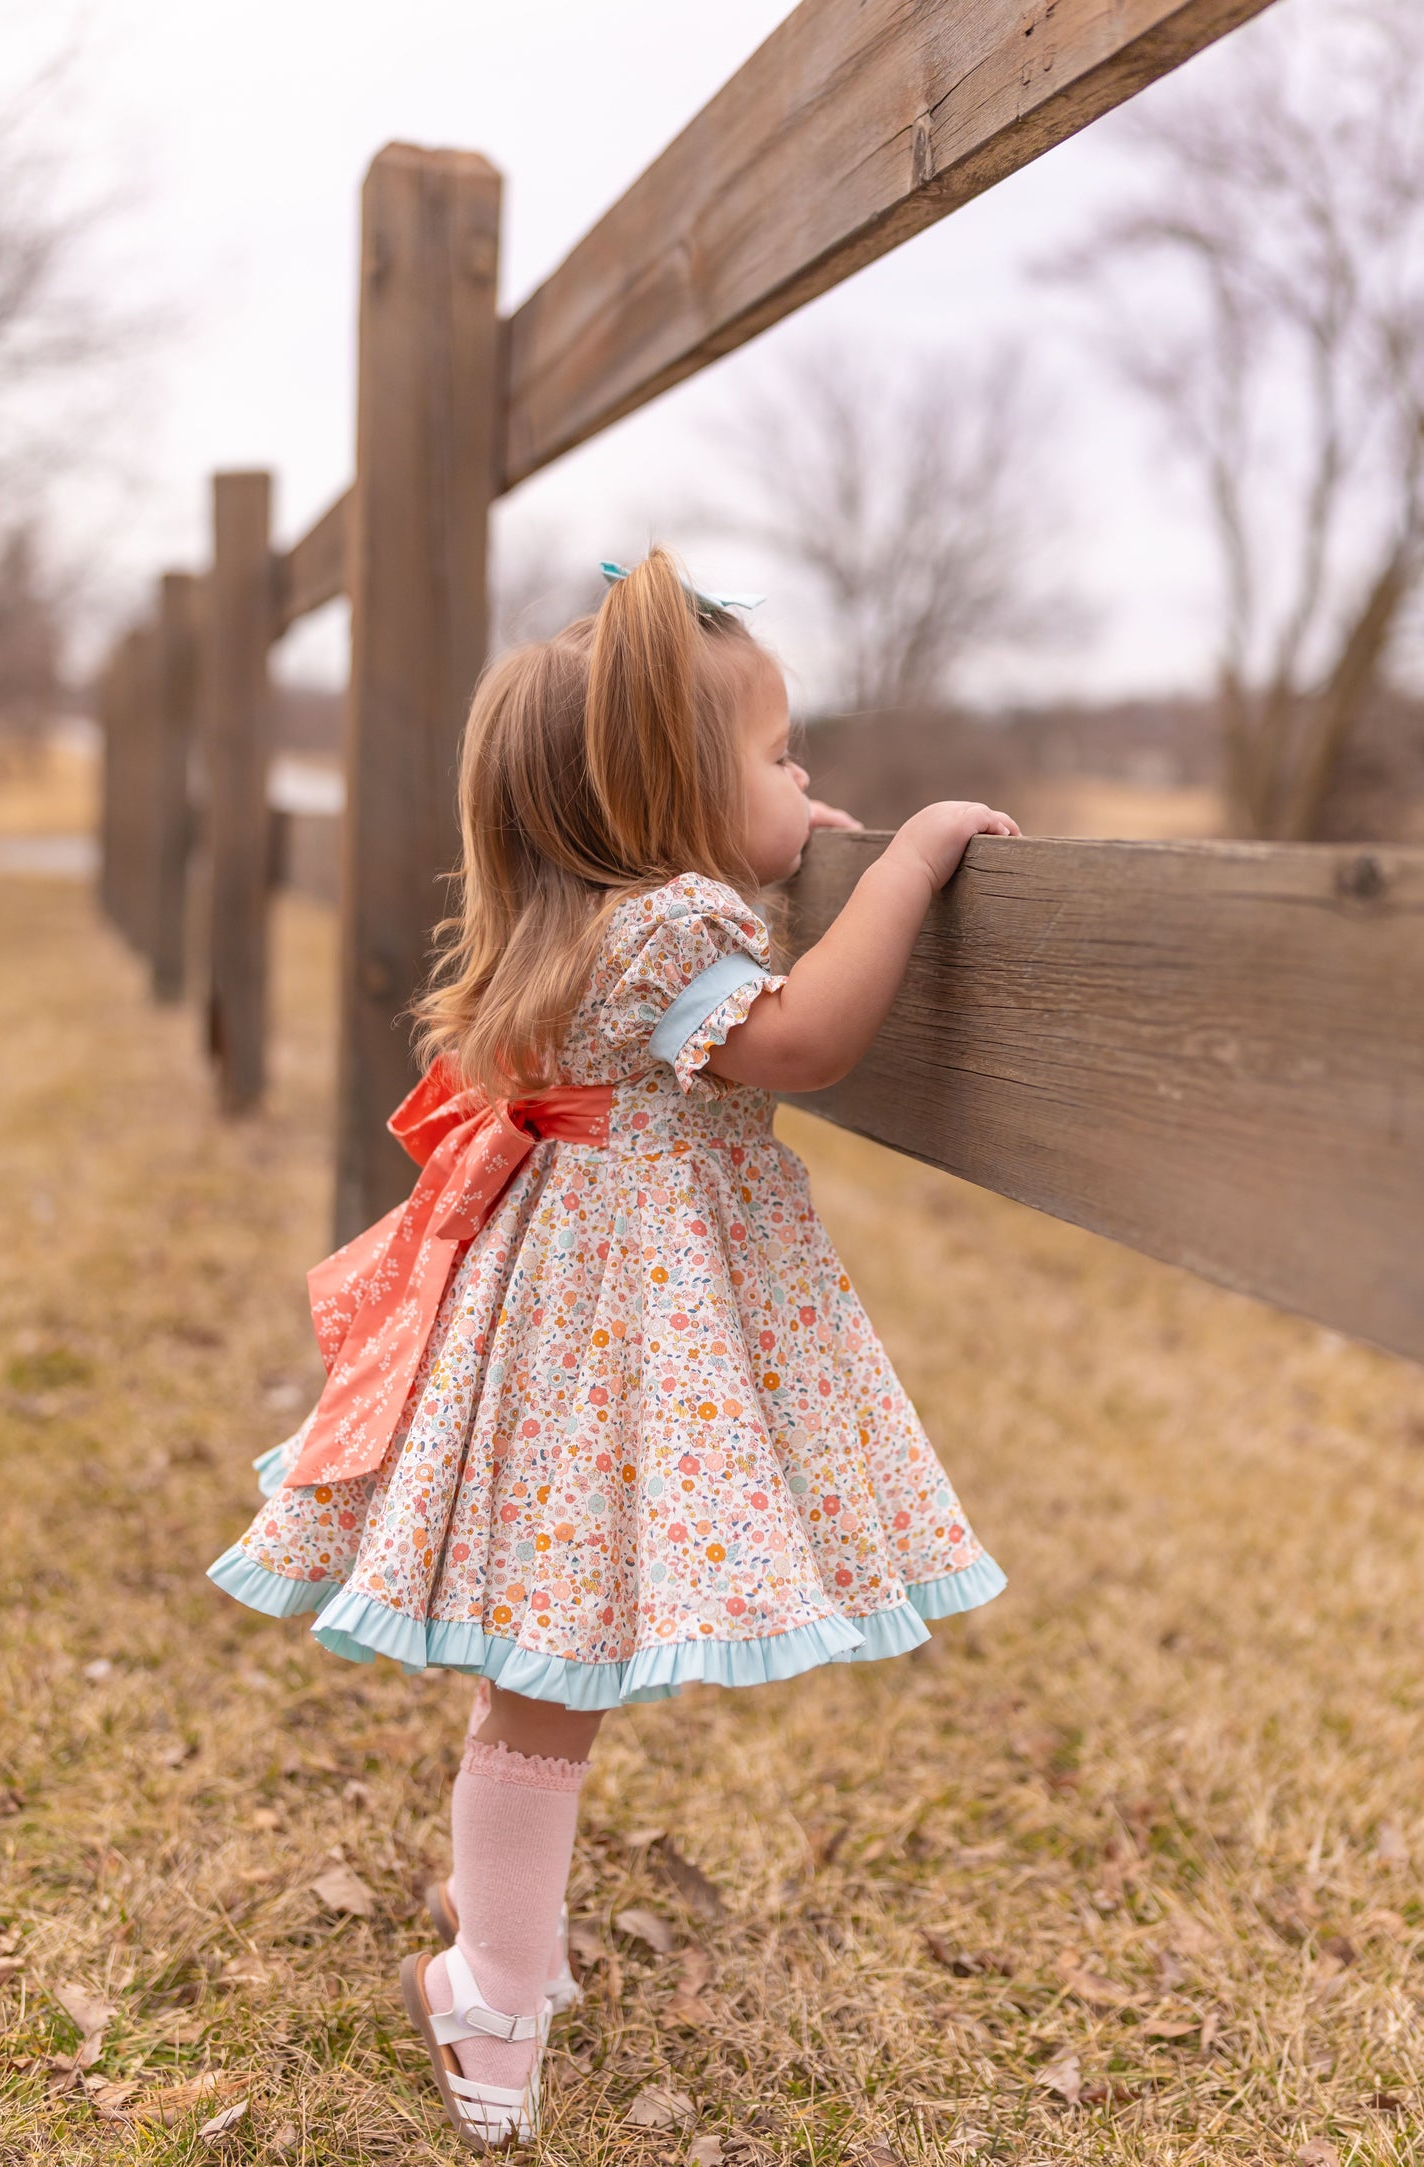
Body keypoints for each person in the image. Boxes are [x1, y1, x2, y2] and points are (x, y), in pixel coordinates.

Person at [207, 547, 1019, 2150]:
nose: (808, 784)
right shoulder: (669, 934)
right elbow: (804, 1037)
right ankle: (490, 1987)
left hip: (574, 1320)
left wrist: (787, 856)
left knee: (542, 1671)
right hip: (609, 1339)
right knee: (549, 1679)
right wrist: (914, 859)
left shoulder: (596, 923)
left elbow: (739, 984)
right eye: (780, 759)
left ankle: (503, 1937)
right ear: (666, 786)